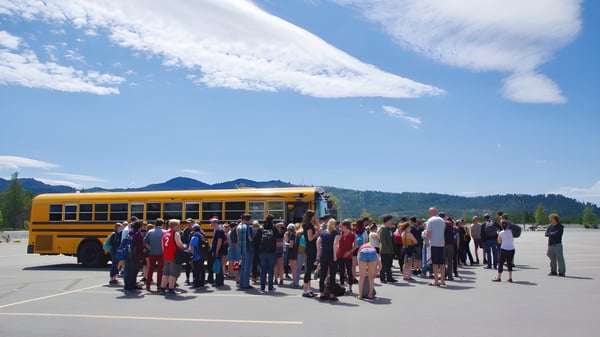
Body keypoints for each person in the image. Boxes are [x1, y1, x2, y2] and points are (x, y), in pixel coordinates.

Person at [159, 219, 186, 296]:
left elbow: (162, 246)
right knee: (173, 274)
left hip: (166, 256)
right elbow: (179, 244)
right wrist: (184, 246)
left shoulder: (165, 233)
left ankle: (162, 288)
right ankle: (171, 289)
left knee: (166, 273)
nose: (179, 227)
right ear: (175, 226)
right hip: (174, 256)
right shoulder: (176, 233)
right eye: (178, 225)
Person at [317, 219, 338, 301]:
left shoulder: (323, 233)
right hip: (332, 255)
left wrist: (319, 252)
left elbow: (318, 242)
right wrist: (335, 255)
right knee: (332, 275)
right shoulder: (335, 232)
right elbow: (335, 244)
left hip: (324, 255)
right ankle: (332, 295)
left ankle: (321, 293)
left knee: (323, 274)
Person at [425, 207, 447, 287]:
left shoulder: (430, 220)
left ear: (431, 213)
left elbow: (428, 232)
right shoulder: (442, 220)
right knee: (442, 263)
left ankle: (436, 281)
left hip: (434, 244)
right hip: (441, 244)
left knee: (435, 263)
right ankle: (442, 281)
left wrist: (427, 242)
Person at [301, 210, 320, 298]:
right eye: (314, 216)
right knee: (308, 269)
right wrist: (316, 234)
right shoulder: (309, 226)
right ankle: (305, 289)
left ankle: (309, 289)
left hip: (311, 248)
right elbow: (310, 238)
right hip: (310, 248)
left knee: (310, 268)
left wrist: (317, 223)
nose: (315, 217)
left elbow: (319, 229)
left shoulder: (308, 225)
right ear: (311, 217)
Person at [334, 220, 356, 294]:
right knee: (341, 270)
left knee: (349, 271)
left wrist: (349, 252)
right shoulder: (340, 234)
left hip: (348, 255)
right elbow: (337, 244)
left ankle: (350, 287)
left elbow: (356, 246)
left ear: (346, 227)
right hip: (340, 255)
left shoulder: (352, 235)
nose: (340, 228)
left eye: (341, 226)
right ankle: (342, 286)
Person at [143, 218, 164, 292]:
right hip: (162, 253)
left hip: (152, 253)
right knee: (160, 270)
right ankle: (159, 285)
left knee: (150, 269)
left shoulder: (150, 232)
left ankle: (148, 285)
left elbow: (145, 242)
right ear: (162, 224)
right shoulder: (165, 232)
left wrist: (150, 248)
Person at [123, 221, 144, 294]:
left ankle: (127, 285)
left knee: (127, 270)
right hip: (135, 255)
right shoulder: (139, 235)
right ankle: (130, 286)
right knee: (133, 271)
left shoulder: (130, 233)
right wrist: (141, 257)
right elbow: (140, 247)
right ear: (139, 227)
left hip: (128, 254)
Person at [258, 218, 277, 292]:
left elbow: (256, 239)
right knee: (271, 270)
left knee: (263, 270)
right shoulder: (273, 229)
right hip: (271, 251)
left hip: (262, 252)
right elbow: (280, 235)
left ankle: (262, 286)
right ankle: (270, 286)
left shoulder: (261, 229)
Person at [238, 213, 255, 289]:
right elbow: (251, 238)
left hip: (242, 248)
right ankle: (246, 284)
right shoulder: (250, 227)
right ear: (250, 219)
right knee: (247, 267)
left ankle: (241, 283)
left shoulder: (241, 227)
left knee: (243, 266)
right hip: (249, 248)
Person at [378, 214, 396, 283]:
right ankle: (382, 278)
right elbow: (383, 240)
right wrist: (388, 249)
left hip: (390, 250)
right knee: (384, 265)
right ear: (387, 221)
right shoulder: (383, 229)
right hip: (385, 250)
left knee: (389, 265)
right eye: (390, 220)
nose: (392, 222)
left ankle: (389, 277)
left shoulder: (389, 229)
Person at [207, 216, 225, 287]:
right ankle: (219, 281)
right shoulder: (217, 231)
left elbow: (219, 242)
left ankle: (219, 282)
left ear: (215, 223)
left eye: (212, 224)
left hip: (219, 251)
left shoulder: (219, 231)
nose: (212, 225)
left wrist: (216, 251)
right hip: (217, 251)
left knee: (218, 266)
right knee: (218, 266)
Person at [189, 223, 207, 289]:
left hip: (196, 256)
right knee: (202, 269)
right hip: (202, 255)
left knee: (196, 270)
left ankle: (196, 284)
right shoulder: (203, 236)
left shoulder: (194, 238)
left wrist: (190, 255)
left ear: (193, 230)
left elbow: (191, 249)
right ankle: (202, 283)